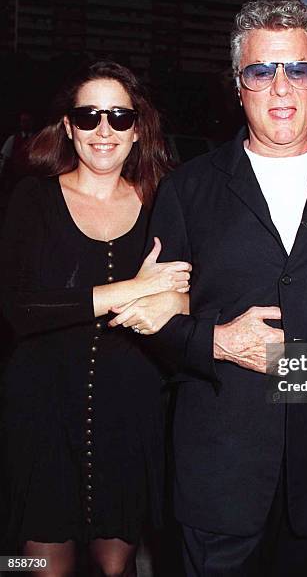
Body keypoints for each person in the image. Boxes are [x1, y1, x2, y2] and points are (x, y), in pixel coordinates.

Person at [112, 0, 307, 577]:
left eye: (298, 69)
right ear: (239, 86)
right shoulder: (189, 190)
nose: (281, 87)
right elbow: (149, 320)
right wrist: (218, 341)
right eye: (261, 71)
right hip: (219, 467)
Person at [0, 61, 190, 576]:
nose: (103, 130)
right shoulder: (32, 199)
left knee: (115, 569)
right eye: (88, 116)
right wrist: (132, 289)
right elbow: (19, 310)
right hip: (42, 418)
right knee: (34, 566)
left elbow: (185, 301)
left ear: (138, 129)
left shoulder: (165, 203)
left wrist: (175, 301)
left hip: (130, 419)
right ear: (68, 127)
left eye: (118, 117)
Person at [0, 111, 35, 192]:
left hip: (31, 177)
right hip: (14, 178)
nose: (26, 124)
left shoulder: (36, 139)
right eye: (24, 121)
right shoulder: (13, 139)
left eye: (28, 121)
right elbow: (4, 158)